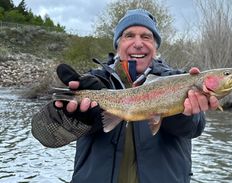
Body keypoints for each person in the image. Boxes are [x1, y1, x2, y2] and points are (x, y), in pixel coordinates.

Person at [31, 8, 219, 183]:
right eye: (129, 35)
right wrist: (75, 119)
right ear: (118, 44)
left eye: (146, 36)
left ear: (155, 46)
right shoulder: (94, 82)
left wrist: (177, 109)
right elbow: (45, 136)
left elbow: (195, 128)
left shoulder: (179, 80)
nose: (138, 43)